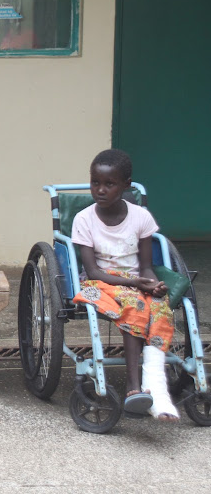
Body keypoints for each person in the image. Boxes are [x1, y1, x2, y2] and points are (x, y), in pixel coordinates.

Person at [71, 149, 179, 422]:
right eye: (95, 182)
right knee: (136, 304)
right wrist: (134, 283)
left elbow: (145, 267)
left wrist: (153, 285)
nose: (101, 190)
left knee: (160, 305)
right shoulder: (84, 219)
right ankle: (134, 386)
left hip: (134, 282)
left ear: (127, 185)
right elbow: (93, 271)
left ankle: (154, 387)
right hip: (97, 284)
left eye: (109, 184)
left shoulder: (140, 217)